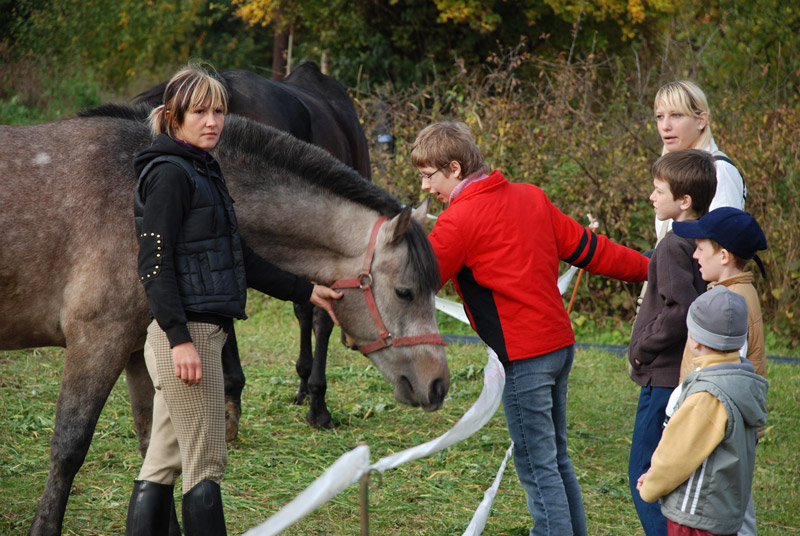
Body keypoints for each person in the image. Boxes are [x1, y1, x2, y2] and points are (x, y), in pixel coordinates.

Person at [126, 63, 342, 535]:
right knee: (205, 465)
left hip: (200, 333)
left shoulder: (202, 169)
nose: (212, 121)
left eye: (219, 111)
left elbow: (237, 255)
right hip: (188, 339)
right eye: (199, 111)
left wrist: (304, 289)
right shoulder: (170, 175)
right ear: (172, 117)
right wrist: (180, 338)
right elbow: (154, 264)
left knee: (162, 461)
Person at [410, 121, 650, 536]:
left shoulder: (457, 222)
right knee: (555, 457)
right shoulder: (531, 196)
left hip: (524, 360)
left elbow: (413, 283)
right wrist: (654, 267)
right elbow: (593, 251)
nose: (427, 188)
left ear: (454, 167)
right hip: (559, 346)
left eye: (429, 177)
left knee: (538, 466)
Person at [628, 149, 717, 536]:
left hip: (662, 376)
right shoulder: (703, 241)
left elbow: (679, 310)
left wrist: (641, 348)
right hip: (685, 372)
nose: (652, 197)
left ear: (683, 201)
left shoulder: (671, 247)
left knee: (645, 471)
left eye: (658, 190)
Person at [637, 285, 768, 536]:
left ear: (694, 340)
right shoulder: (740, 384)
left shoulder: (706, 397)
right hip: (724, 513)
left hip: (696, 517)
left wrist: (651, 485)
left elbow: (676, 456)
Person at [672, 207, 768, 536]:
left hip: (716, 432)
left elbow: (723, 377)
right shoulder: (731, 293)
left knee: (726, 512)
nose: (695, 254)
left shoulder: (730, 303)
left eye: (700, 247)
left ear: (724, 255)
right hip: (724, 429)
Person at [653, 80, 746, 239]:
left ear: (701, 120)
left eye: (676, 115)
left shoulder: (719, 170)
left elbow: (724, 246)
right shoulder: (670, 172)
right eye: (660, 117)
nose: (665, 126)